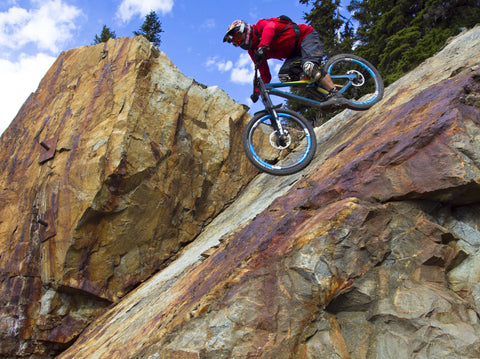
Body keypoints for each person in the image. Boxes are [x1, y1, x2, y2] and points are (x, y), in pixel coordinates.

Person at [223, 17, 345, 106]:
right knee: (286, 76)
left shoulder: (260, 26)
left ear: (245, 30)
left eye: (238, 37)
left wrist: (263, 46)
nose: (239, 43)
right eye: (235, 42)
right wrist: (257, 91)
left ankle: (335, 93)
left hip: (306, 37)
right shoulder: (253, 51)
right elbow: (265, 75)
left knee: (309, 66)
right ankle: (326, 99)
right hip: (294, 54)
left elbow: (271, 27)